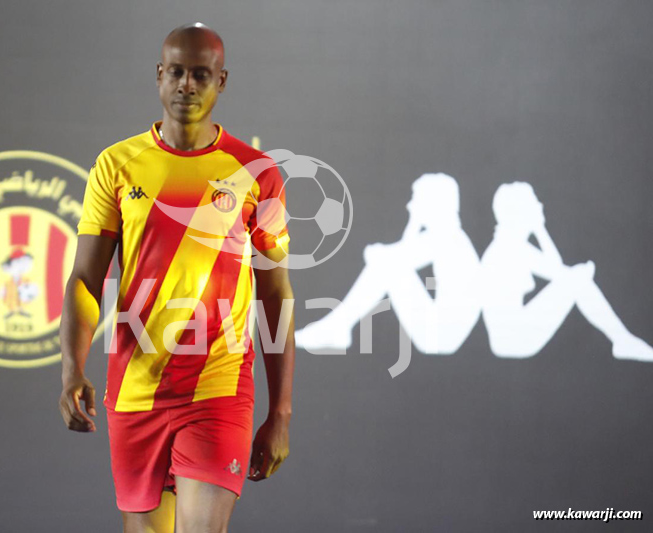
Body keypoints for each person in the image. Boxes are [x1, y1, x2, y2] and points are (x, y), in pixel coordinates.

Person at [58, 23, 296, 533]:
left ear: (221, 81)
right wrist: (71, 368)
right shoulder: (116, 165)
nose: (187, 85)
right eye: (177, 73)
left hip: (218, 388)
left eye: (201, 75)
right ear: (159, 75)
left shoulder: (257, 172)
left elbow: (276, 293)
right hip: (135, 388)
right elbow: (84, 280)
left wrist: (281, 412)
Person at [295, 173, 481, 356]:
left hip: (439, 337)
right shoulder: (449, 235)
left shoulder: (445, 237)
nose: (410, 206)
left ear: (433, 204)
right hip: (440, 334)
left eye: (416, 200)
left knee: (386, 266)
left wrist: (409, 227)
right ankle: (337, 327)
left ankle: (336, 328)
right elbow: (401, 254)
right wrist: (411, 227)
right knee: (388, 265)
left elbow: (391, 257)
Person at [479, 181, 653, 360]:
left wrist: (540, 230)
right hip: (514, 340)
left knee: (577, 277)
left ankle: (622, 340)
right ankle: (622, 340)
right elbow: (559, 272)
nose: (540, 206)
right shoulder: (509, 249)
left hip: (510, 339)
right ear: (520, 212)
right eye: (534, 202)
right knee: (577, 278)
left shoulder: (511, 245)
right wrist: (540, 229)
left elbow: (557, 271)